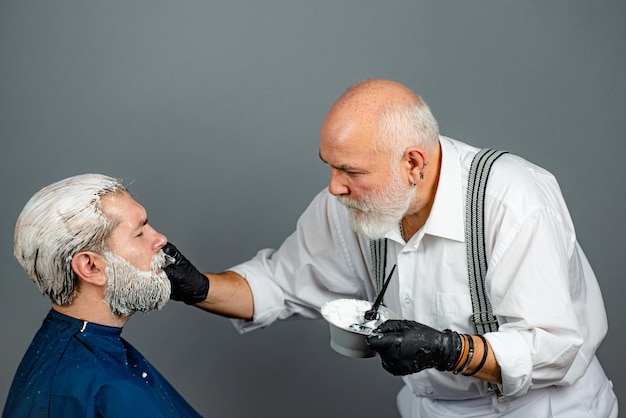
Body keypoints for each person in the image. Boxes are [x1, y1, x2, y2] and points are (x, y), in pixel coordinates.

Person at [164, 78, 618, 417]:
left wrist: (447, 350)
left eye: (351, 171)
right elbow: (280, 284)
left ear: (413, 163)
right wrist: (197, 286)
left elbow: (556, 348)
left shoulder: (511, 200)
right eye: (329, 167)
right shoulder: (346, 205)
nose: (334, 188)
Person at [4, 174, 201, 418]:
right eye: (139, 233)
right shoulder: (75, 387)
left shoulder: (87, 348)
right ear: (91, 267)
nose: (160, 239)